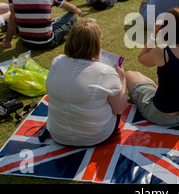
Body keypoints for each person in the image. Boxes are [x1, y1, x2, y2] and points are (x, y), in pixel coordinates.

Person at [45, 19, 127, 147]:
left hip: (57, 133)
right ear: (96, 44)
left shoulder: (57, 61)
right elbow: (119, 109)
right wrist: (123, 81)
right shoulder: (106, 72)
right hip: (96, 137)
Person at [125, 7, 179, 126]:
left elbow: (142, 59)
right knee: (150, 82)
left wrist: (153, 36)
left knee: (130, 75)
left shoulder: (161, 52)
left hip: (161, 115)